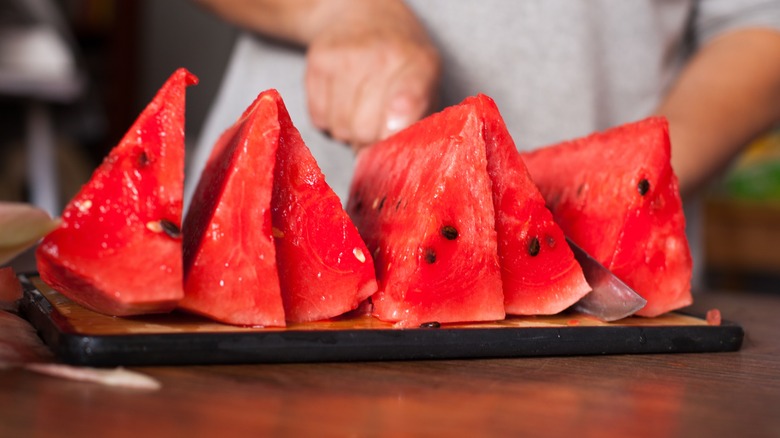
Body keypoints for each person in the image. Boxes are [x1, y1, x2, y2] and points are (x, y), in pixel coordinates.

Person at [188, 0, 780, 286]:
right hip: (266, 258)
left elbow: (760, 25)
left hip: (604, 275)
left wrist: (625, 181)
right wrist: (337, 10)